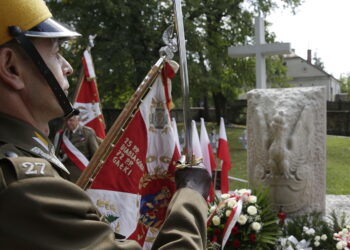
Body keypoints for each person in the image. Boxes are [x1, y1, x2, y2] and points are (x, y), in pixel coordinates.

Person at [0, 0, 211, 249]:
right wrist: (190, 196)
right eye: (56, 53)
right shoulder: (25, 187)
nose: (67, 67)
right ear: (10, 67)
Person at [54, 115, 99, 182]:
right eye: (66, 121)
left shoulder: (87, 133)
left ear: (78, 120)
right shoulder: (61, 134)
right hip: (64, 173)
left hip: (80, 172)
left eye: (71, 120)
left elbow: (96, 155)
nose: (68, 123)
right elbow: (56, 153)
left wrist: (93, 173)